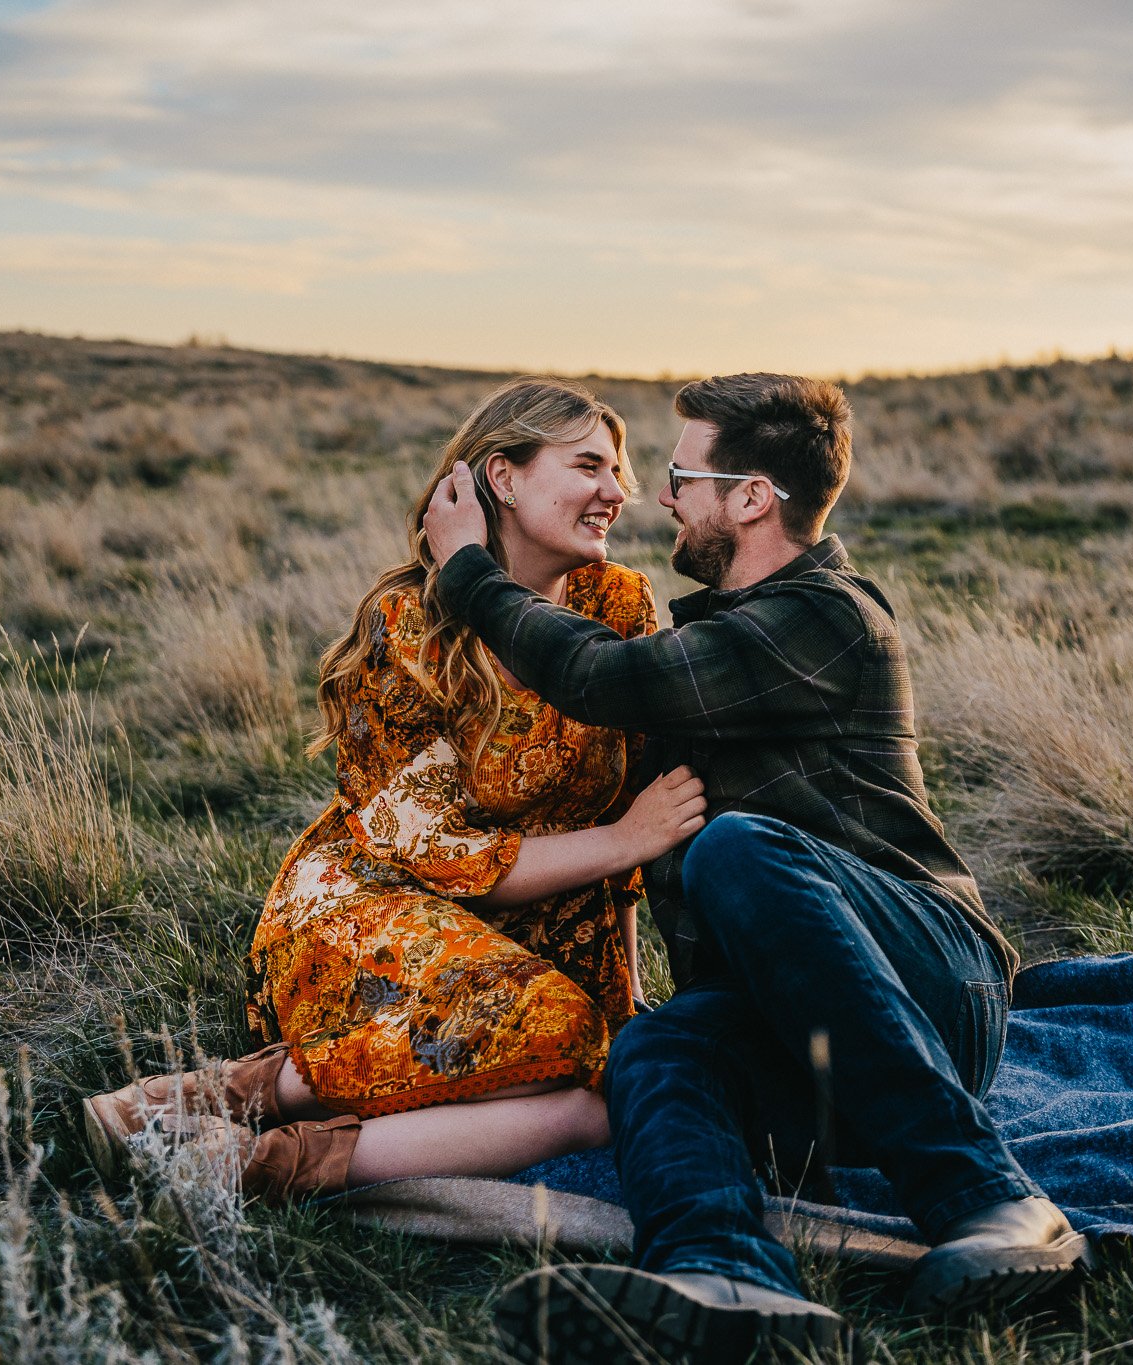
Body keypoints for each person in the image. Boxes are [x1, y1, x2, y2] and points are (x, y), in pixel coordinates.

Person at [422, 374, 1085, 1364]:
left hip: (933, 984)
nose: (662, 497)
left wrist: (472, 576)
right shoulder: (707, 637)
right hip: (800, 1037)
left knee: (738, 847)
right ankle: (722, 1277)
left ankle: (994, 1204)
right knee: (655, 1050)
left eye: (683, 476)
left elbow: (610, 680)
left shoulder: (825, 617)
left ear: (749, 499)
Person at [80, 377, 706, 1201]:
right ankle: (235, 1090)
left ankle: (251, 1163)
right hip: (377, 900)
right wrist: (629, 839)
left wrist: (624, 987)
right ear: (503, 477)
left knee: (605, 1092)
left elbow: (618, 805)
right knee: (551, 1029)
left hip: (535, 927)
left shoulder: (617, 601)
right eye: (589, 465)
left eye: (620, 472)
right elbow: (446, 855)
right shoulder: (411, 623)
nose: (615, 493)